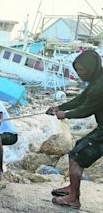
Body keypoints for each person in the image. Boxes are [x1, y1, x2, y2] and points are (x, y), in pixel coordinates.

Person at [46, 50, 103, 210]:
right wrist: (60, 107)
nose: (79, 74)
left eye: (81, 70)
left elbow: (85, 109)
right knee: (80, 145)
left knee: (76, 156)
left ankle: (74, 198)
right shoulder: (98, 78)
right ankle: (72, 189)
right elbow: (82, 98)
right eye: (76, 71)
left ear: (91, 68)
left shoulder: (99, 87)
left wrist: (65, 114)